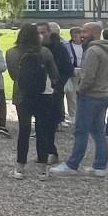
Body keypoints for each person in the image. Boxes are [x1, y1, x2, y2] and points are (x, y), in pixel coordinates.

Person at [51, 23, 108, 177]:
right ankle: (100, 166)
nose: (81, 34)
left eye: (84, 31)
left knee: (81, 131)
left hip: (91, 95)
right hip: (104, 93)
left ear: (93, 33)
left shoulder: (92, 51)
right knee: (98, 131)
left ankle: (73, 164)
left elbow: (88, 76)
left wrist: (80, 90)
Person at [4, 22, 60, 180]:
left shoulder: (11, 53)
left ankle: (20, 167)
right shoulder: (45, 52)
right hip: (43, 95)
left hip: (22, 95)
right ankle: (43, 169)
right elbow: (55, 75)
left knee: (24, 130)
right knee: (42, 130)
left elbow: (14, 77)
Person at [38, 23, 72, 164]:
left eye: (43, 32)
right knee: (40, 124)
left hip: (53, 91)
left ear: (49, 32)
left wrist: (57, 85)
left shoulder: (59, 48)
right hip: (38, 90)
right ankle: (43, 153)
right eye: (38, 32)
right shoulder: (36, 49)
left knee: (50, 124)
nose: (41, 35)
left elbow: (67, 69)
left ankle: (51, 152)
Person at [63, 27, 84, 125]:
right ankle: (73, 115)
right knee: (71, 94)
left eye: (78, 34)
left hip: (84, 70)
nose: (76, 36)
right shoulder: (67, 46)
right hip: (73, 71)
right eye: (74, 34)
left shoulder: (86, 45)